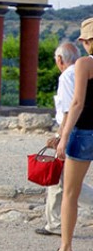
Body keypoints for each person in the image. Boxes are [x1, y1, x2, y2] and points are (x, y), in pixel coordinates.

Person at [36, 42, 93, 236]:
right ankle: (53, 222)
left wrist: (61, 136)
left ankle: (58, 231)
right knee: (62, 181)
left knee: (66, 183)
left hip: (79, 130)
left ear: (59, 59)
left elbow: (72, 107)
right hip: (81, 129)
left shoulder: (71, 74)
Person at [49, 18, 93, 251]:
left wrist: (63, 137)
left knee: (70, 193)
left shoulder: (84, 64)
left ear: (88, 41)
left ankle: (65, 249)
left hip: (85, 131)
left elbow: (76, 103)